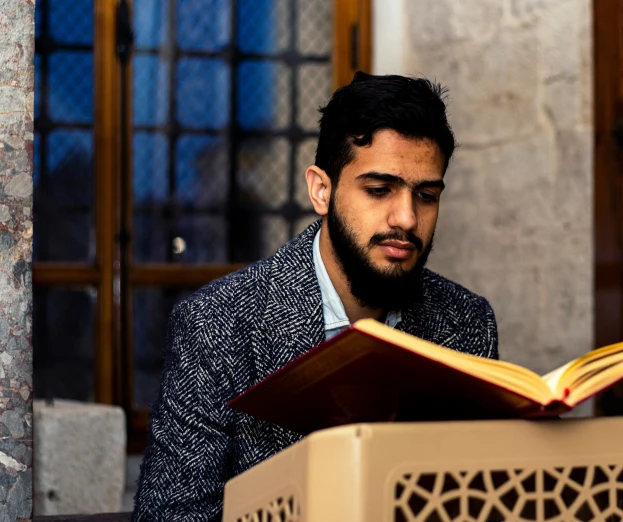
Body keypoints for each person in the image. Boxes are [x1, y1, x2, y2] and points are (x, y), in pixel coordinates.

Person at [131, 72, 499, 521]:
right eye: (379, 190)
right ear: (321, 190)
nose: (406, 217)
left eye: (426, 195)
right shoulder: (216, 324)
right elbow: (172, 517)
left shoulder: (467, 322)